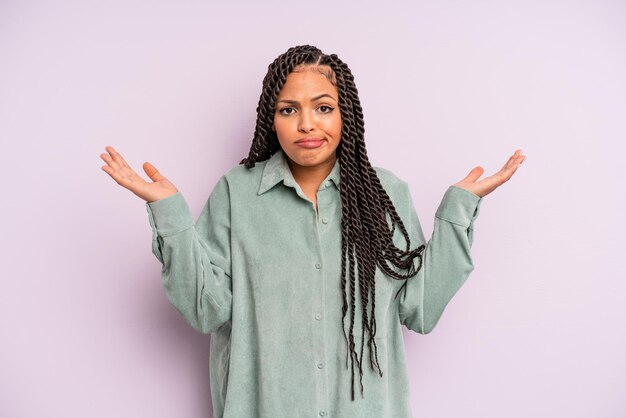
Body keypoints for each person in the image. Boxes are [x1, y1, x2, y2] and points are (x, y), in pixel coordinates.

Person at [100, 45, 526, 418]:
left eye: (323, 107)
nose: (307, 124)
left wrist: (457, 213)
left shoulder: (386, 193)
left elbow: (420, 309)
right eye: (289, 109)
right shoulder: (236, 193)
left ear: (347, 116)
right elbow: (207, 311)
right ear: (272, 118)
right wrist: (169, 214)